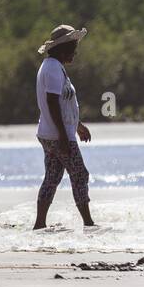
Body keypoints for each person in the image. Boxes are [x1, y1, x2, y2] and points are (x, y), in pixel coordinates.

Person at [34, 23, 94, 230]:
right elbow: (52, 102)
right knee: (80, 174)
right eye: (72, 47)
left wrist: (77, 125)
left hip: (52, 133)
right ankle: (88, 222)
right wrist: (62, 136)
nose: (75, 52)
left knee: (53, 176)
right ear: (60, 48)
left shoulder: (54, 66)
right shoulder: (51, 68)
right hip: (56, 135)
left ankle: (39, 224)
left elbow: (63, 103)